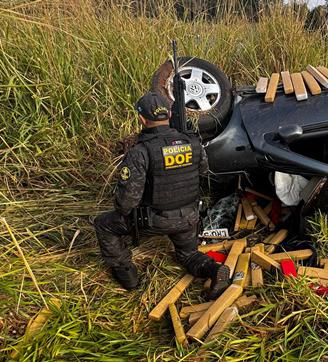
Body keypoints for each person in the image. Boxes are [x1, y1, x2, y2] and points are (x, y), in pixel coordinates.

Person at [94, 92, 230, 299]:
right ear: (168, 114)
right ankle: (213, 270)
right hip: (189, 217)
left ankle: (128, 277)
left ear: (141, 118)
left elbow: (126, 203)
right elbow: (203, 172)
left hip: (155, 219)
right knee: (189, 254)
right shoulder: (193, 143)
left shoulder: (141, 152)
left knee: (103, 224)